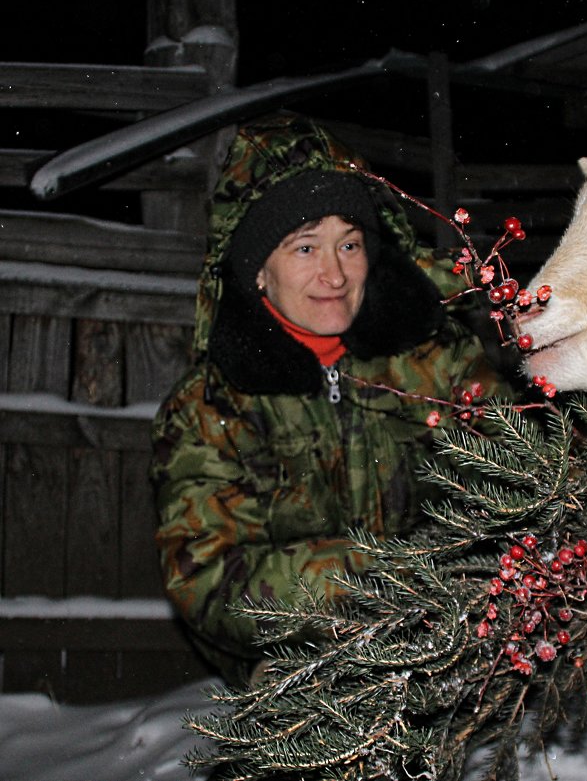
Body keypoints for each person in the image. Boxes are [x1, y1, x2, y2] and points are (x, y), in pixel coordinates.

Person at [150, 113, 507, 684]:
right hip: (290, 670)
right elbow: (208, 577)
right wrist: (374, 579)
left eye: (349, 244)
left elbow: (527, 451)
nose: (335, 274)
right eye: (305, 247)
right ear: (259, 273)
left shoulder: (430, 358)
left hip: (438, 655)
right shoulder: (212, 407)